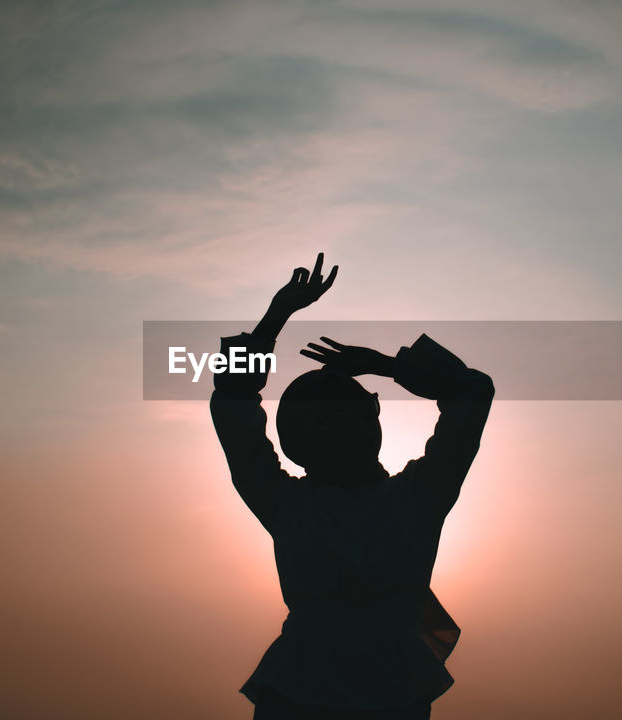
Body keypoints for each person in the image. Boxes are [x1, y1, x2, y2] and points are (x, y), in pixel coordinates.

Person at [210, 253, 495, 719]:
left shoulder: (287, 505)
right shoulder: (416, 499)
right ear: (369, 424)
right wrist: (388, 366)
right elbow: (473, 392)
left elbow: (232, 403)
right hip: (392, 693)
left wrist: (276, 318)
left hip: (295, 688)